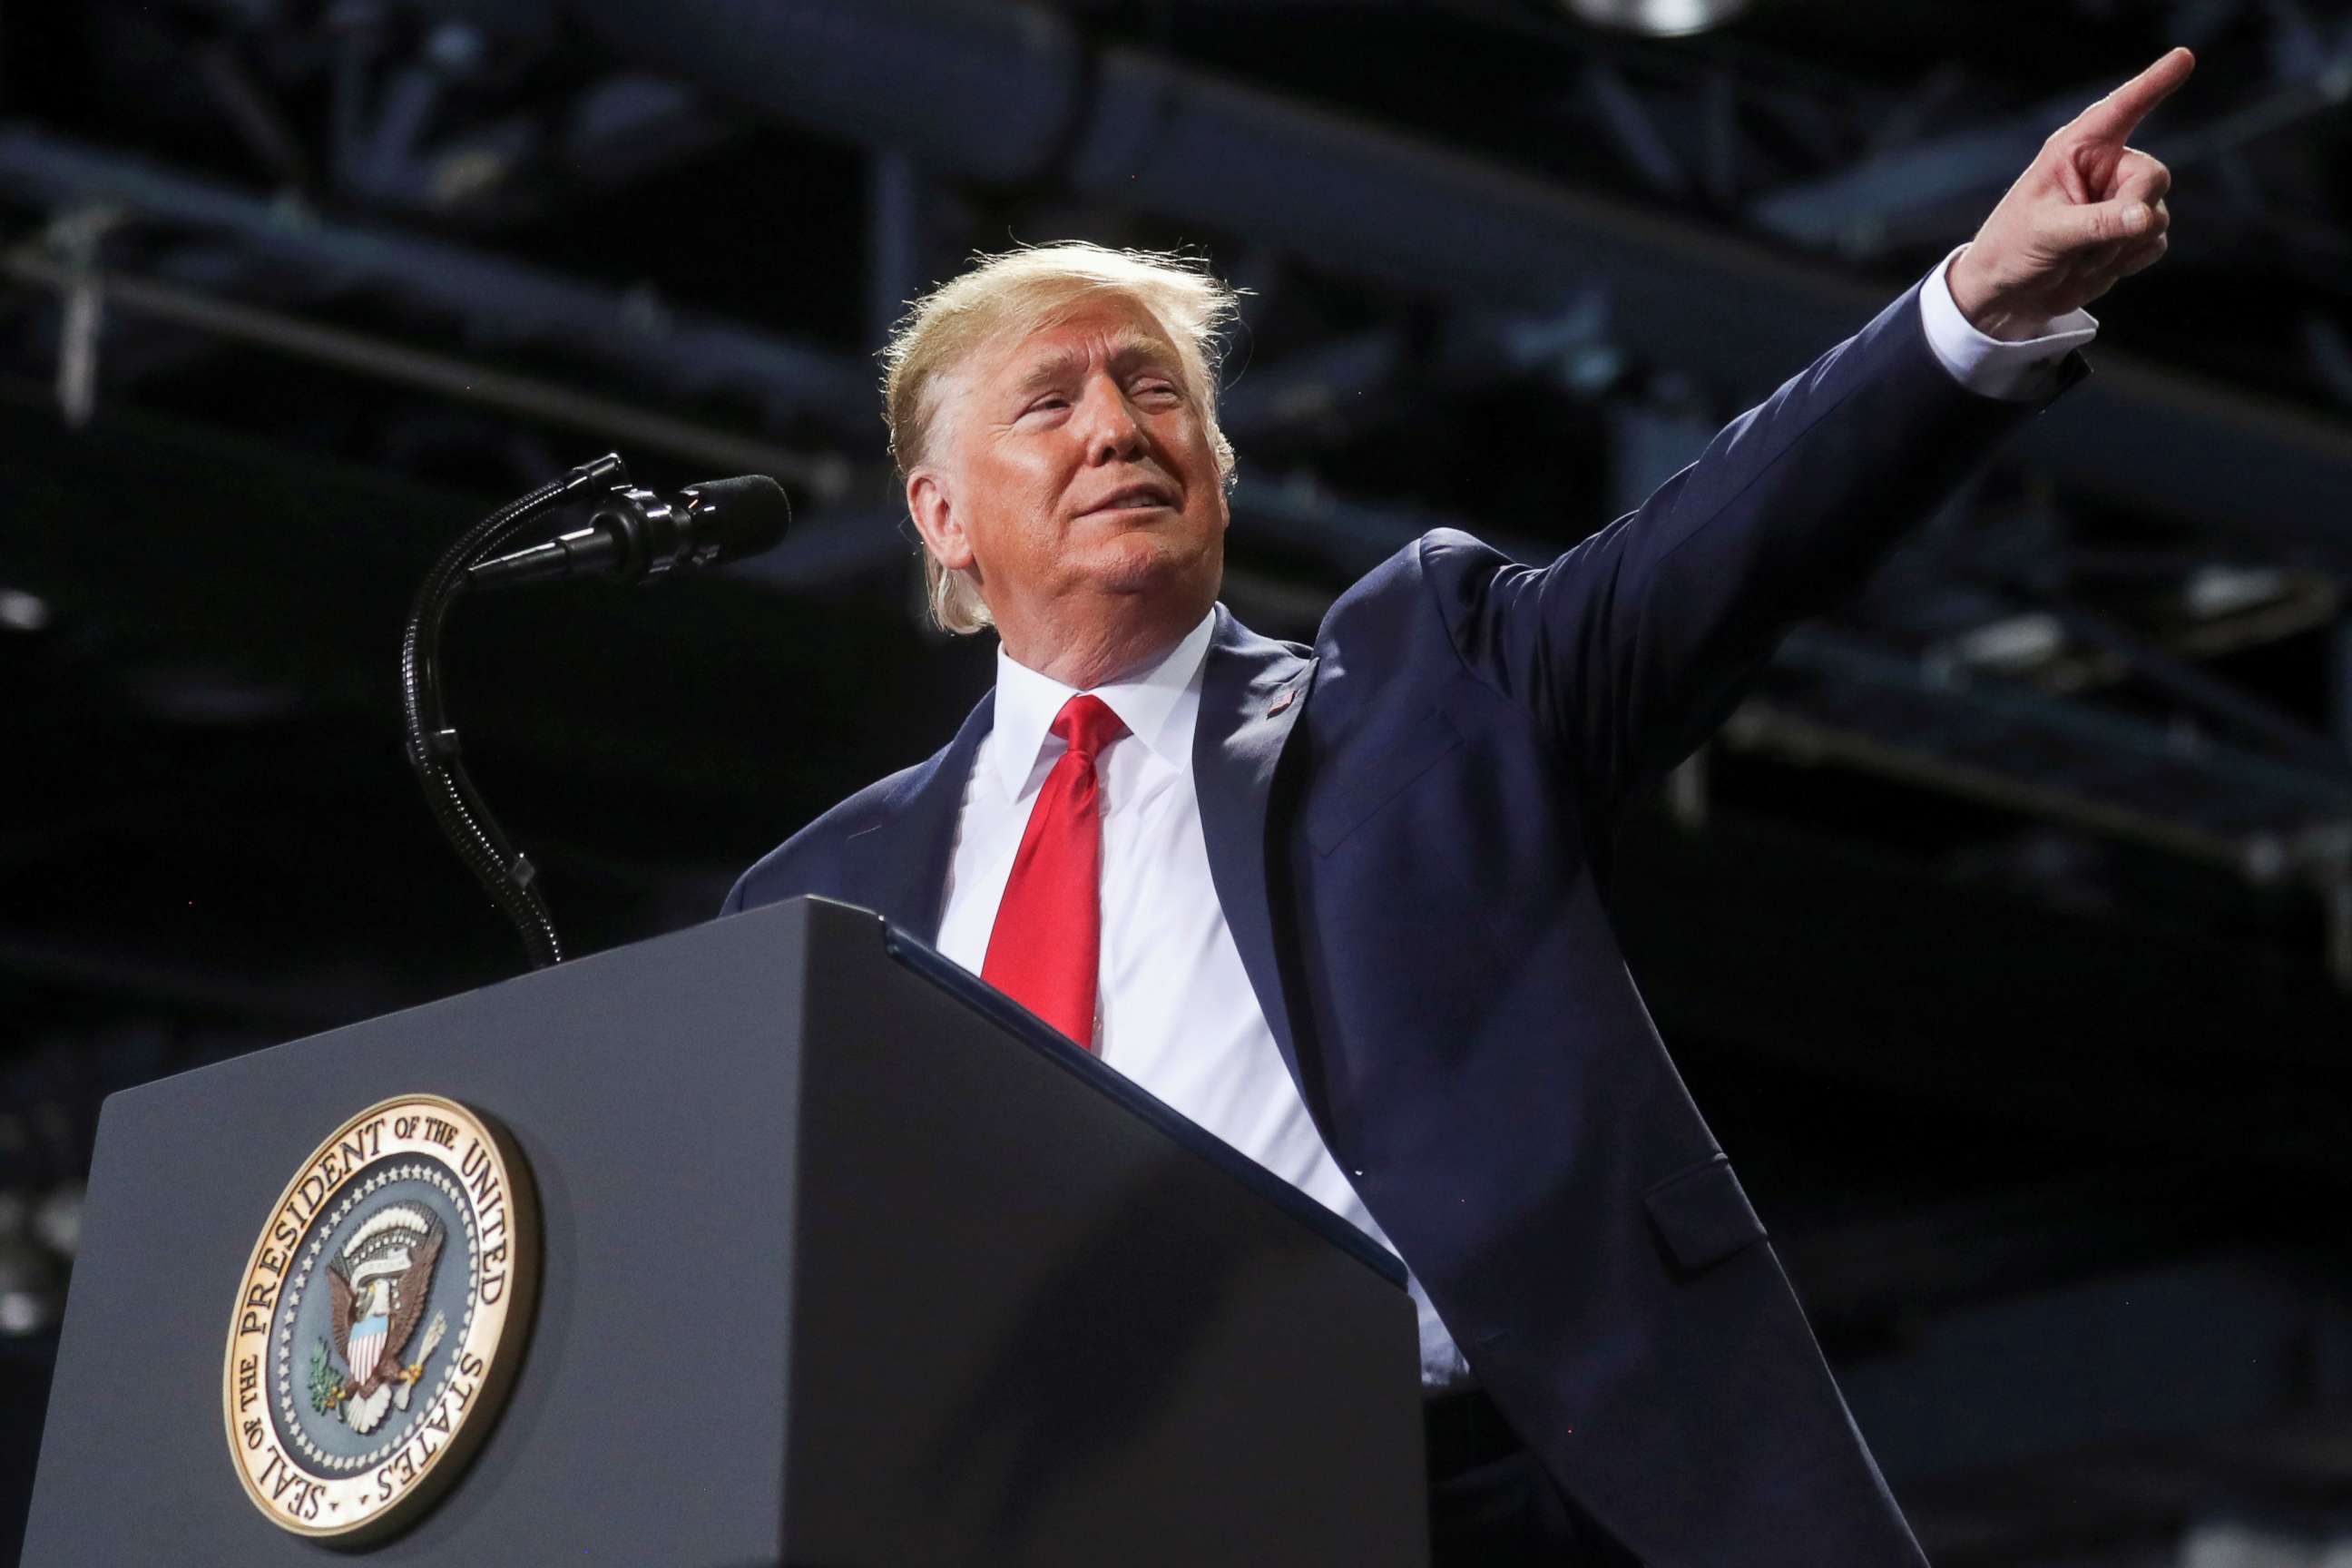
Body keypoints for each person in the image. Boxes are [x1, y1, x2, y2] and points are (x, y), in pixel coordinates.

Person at [723, 47, 2193, 1566]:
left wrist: (1978, 311)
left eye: (1154, 389)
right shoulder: (818, 901)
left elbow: (1717, 547)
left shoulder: (1425, 681)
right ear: (942, 516)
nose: (1118, 428)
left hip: (1508, 1491)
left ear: (1217, 467)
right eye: (1050, 401)